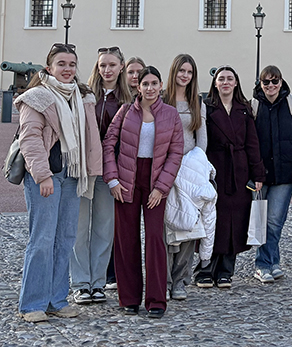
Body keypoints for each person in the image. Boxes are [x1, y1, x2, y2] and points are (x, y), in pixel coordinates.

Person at [14, 43, 102, 323]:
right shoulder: (37, 97)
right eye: (61, 64)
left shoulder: (82, 97)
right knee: (41, 240)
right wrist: (42, 176)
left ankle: (56, 299)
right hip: (46, 175)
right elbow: (30, 139)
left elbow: (90, 137)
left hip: (72, 174)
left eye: (72, 64)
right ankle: (32, 304)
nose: (67, 69)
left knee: (65, 239)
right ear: (49, 67)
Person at [103, 66, 184, 318]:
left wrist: (161, 188)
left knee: (155, 240)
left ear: (161, 86)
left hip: (155, 179)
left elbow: (175, 152)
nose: (149, 88)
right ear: (138, 87)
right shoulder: (126, 111)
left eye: (154, 83)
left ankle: (156, 299)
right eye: (145, 84)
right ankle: (129, 298)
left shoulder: (170, 114)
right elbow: (109, 143)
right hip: (127, 177)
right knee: (126, 238)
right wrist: (112, 179)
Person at [193, 66, 265, 289]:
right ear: (215, 83)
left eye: (229, 79)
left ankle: (226, 270)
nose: (225, 82)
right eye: (221, 79)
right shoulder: (206, 109)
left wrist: (258, 172)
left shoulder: (244, 110)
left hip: (239, 171)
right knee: (213, 220)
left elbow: (253, 143)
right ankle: (205, 269)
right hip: (216, 170)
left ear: (236, 83)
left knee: (235, 222)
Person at [71, 46, 131, 304]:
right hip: (85, 170)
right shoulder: (83, 95)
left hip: (111, 173)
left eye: (112, 65)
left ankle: (98, 282)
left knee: (105, 229)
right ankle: (81, 282)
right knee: (79, 228)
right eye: (102, 65)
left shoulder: (128, 101)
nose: (107, 70)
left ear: (121, 67)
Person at [252, 66, 292, 283]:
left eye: (274, 81)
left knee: (275, 220)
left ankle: (271, 261)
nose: (271, 86)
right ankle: (263, 264)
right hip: (260, 173)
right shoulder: (254, 106)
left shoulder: (291, 104)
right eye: (266, 82)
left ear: (281, 82)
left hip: (286, 174)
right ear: (260, 84)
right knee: (261, 220)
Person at [162, 54, 207, 300]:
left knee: (189, 226)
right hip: (166, 171)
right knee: (167, 227)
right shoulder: (162, 100)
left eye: (189, 72)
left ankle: (180, 280)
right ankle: (164, 278)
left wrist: (200, 168)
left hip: (189, 172)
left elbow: (202, 139)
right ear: (174, 72)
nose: (185, 75)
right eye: (181, 71)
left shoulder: (197, 103)